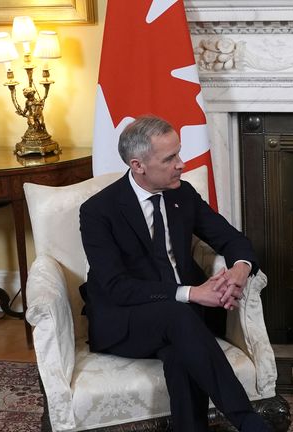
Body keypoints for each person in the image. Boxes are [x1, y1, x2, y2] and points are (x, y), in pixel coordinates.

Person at [79, 116, 271, 432]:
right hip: (124, 319)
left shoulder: (182, 195)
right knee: (178, 315)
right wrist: (193, 293)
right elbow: (116, 287)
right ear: (138, 165)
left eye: (179, 154)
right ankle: (248, 421)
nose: (181, 165)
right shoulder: (99, 211)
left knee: (180, 353)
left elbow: (232, 239)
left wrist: (238, 271)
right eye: (170, 159)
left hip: (180, 322)